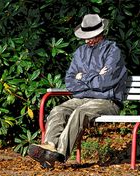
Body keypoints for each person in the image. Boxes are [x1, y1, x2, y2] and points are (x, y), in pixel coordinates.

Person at [28, 14, 127, 169]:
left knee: (80, 113)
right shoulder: (80, 52)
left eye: (91, 37)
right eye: (85, 36)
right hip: (82, 98)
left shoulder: (113, 51)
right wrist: (94, 76)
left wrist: (83, 77)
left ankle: (59, 154)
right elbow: (70, 82)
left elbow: (105, 83)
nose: (87, 40)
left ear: (100, 34)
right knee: (58, 110)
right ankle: (49, 147)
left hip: (107, 101)